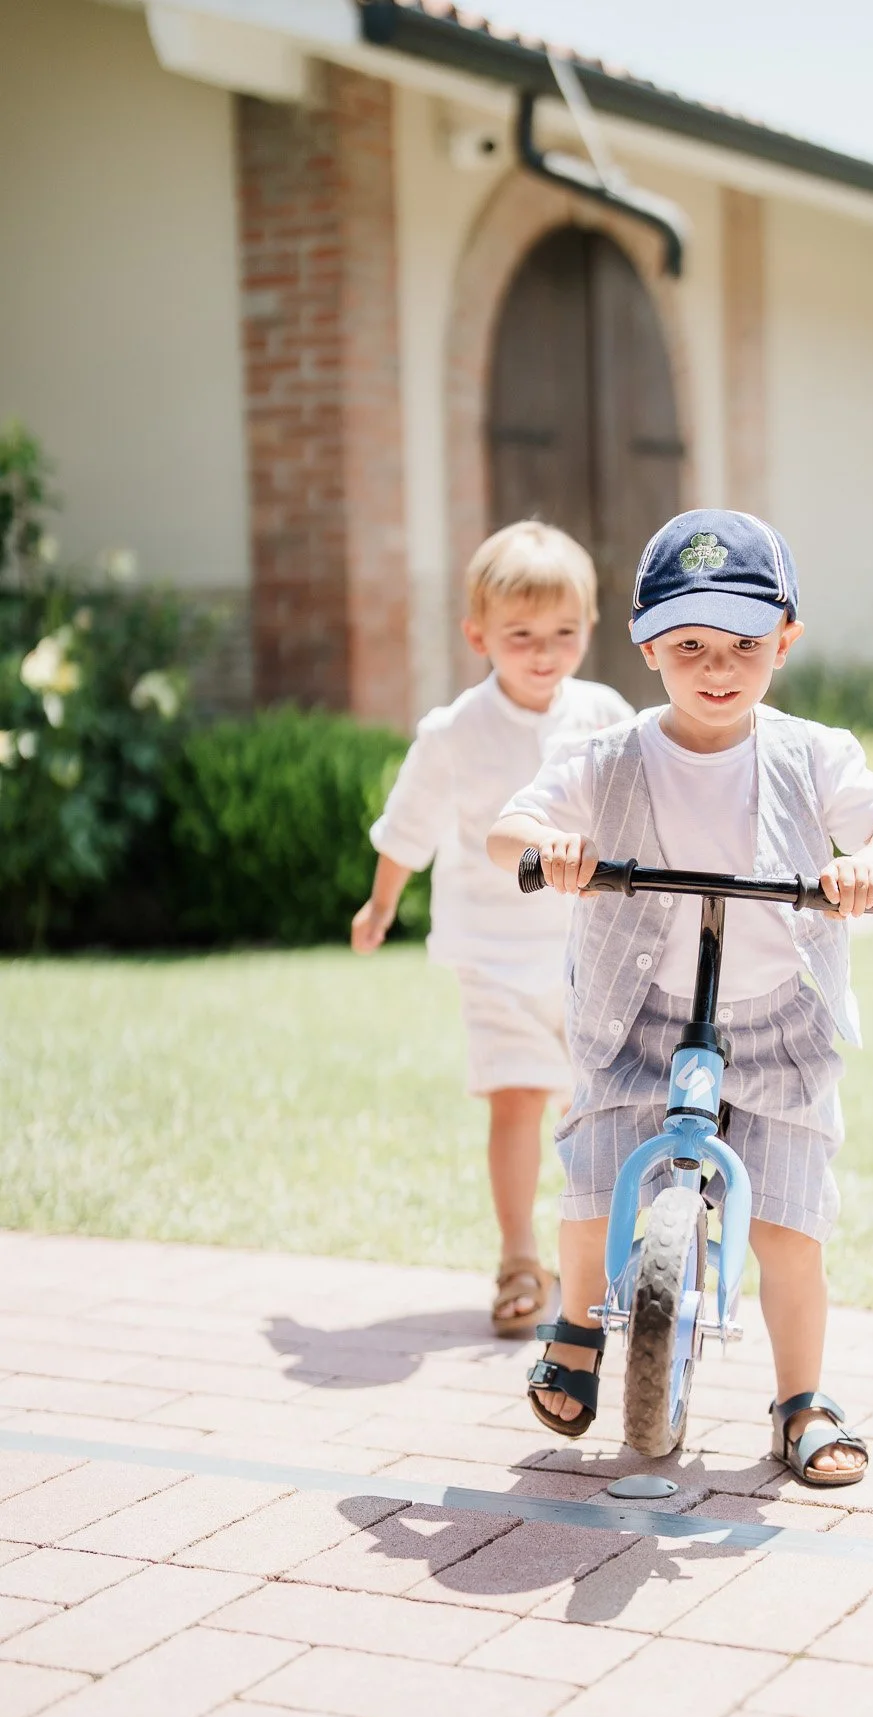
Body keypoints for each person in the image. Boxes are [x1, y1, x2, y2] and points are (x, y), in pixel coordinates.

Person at [488, 509, 873, 1486]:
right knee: (597, 1172)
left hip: (774, 1019)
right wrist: (547, 849)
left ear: (787, 641)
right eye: (689, 644)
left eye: (744, 643)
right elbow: (510, 823)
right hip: (637, 1014)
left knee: (789, 1227)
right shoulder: (612, 756)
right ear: (647, 645)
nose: (717, 666)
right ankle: (576, 1324)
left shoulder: (813, 753)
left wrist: (866, 863)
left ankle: (801, 1397)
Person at [352, 521, 633, 1337]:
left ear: (588, 629)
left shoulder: (604, 714)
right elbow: (407, 824)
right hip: (494, 955)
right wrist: (380, 905)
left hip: (590, 952)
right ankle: (518, 1257)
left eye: (563, 634)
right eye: (520, 636)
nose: (543, 653)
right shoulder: (454, 732)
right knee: (516, 1101)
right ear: (478, 635)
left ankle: (599, 1264)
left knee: (595, 1108)